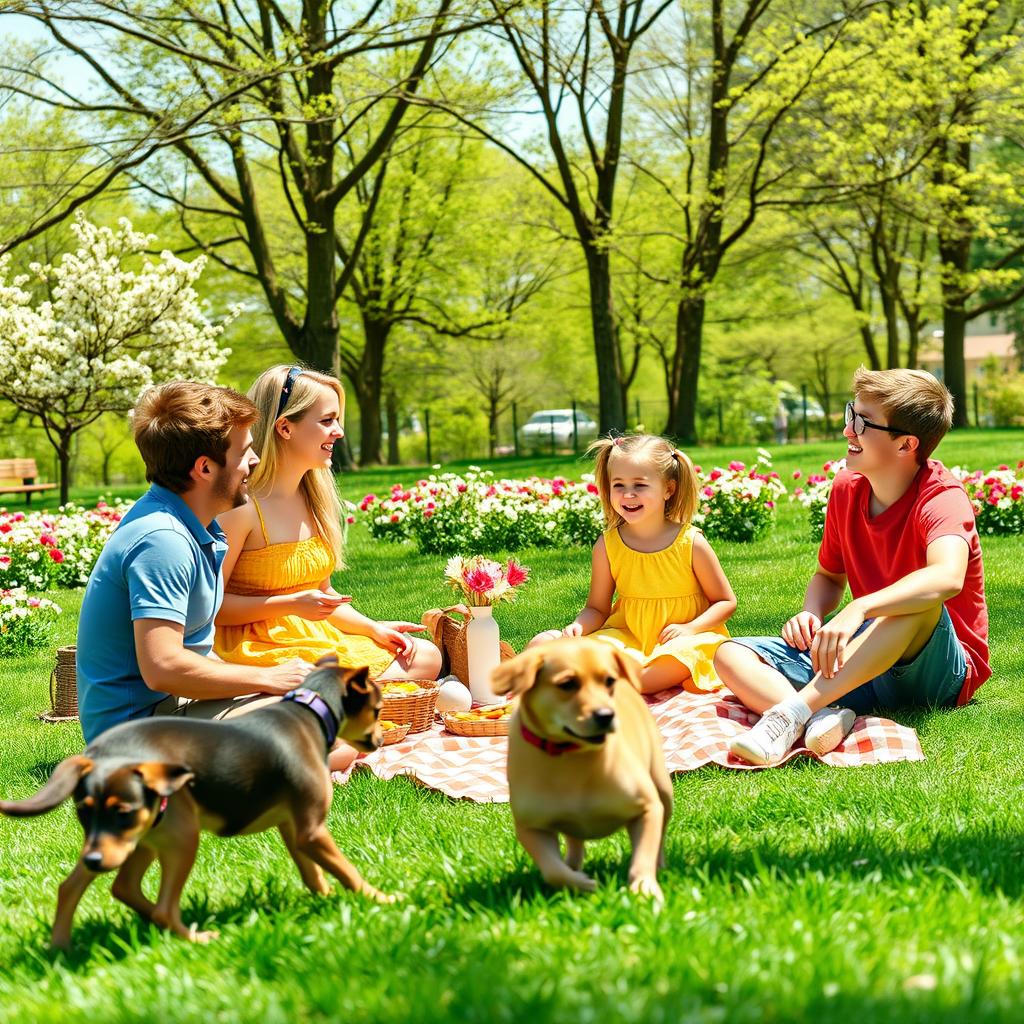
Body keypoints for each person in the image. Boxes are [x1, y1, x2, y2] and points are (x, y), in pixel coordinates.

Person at [718, 368, 990, 766]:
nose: (848, 430)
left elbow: (946, 578)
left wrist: (859, 607)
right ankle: (822, 716)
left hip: (938, 673)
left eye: (862, 422)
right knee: (731, 654)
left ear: (906, 445)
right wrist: (812, 612)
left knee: (917, 604)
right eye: (851, 413)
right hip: (866, 658)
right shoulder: (847, 489)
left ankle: (789, 716)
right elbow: (829, 576)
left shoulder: (941, 496)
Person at [213, 365, 441, 771]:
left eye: (337, 420)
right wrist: (288, 604)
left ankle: (330, 720)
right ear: (285, 427)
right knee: (334, 687)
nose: (338, 431)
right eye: (327, 421)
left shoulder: (313, 498)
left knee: (423, 657)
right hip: (257, 646)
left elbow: (325, 599)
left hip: (315, 634)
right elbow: (212, 609)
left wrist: (374, 628)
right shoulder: (243, 509)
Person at [76, 381, 312, 744]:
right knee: (317, 729)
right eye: (245, 451)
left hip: (178, 707)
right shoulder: (162, 540)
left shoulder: (194, 524)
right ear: (204, 468)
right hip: (136, 736)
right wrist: (269, 677)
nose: (255, 461)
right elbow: (163, 667)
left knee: (323, 711)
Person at [531, 433, 737, 694]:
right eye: (618, 485)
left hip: (686, 640)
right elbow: (596, 608)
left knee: (668, 665)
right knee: (552, 645)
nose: (628, 494)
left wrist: (690, 628)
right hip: (629, 634)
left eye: (639, 485)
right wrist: (578, 626)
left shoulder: (691, 542)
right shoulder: (607, 545)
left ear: (668, 489)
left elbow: (725, 601)